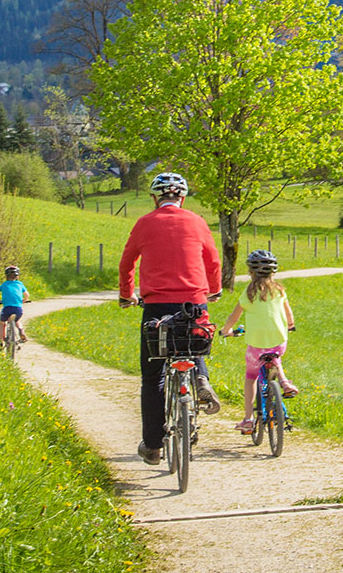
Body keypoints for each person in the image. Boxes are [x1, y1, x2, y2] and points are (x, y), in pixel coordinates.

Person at [118, 171, 222, 465]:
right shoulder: (197, 222)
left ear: (155, 198)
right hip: (195, 303)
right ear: (183, 198)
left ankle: (153, 446)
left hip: (156, 308)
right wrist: (213, 291)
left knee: (152, 377)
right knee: (192, 340)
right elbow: (212, 260)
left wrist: (127, 295)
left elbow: (127, 262)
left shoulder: (144, 223)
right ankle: (200, 378)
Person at [221, 249, 298, 434]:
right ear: (273, 272)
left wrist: (226, 331)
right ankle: (284, 382)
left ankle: (248, 419)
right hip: (279, 341)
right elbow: (289, 314)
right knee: (275, 357)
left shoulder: (248, 293)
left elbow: (234, 316)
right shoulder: (280, 291)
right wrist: (290, 325)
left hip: (256, 345)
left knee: (251, 377)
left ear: (250, 272)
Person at [0, 265, 30, 346]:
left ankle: (0, 341)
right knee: (17, 321)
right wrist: (24, 300)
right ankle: (21, 331)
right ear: (17, 276)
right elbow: (27, 295)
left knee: (1, 322)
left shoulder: (4, 284)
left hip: (7, 309)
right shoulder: (20, 284)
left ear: (6, 275)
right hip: (18, 309)